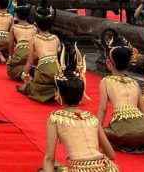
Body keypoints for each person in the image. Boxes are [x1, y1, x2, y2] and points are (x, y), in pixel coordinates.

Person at [42, 41, 117, 172]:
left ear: (58, 94)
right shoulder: (92, 118)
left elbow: (49, 158)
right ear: (82, 95)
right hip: (104, 168)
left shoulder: (55, 118)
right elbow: (111, 155)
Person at [18, 0, 61, 103]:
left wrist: (24, 75)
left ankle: (44, 91)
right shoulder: (56, 38)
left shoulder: (34, 39)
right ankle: (56, 90)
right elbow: (58, 54)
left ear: (36, 23)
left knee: (30, 87)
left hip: (43, 72)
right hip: (57, 72)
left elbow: (30, 62)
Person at [6, 5, 37, 80]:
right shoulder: (34, 28)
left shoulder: (14, 27)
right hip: (33, 54)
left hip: (20, 53)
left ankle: (25, 72)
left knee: (11, 70)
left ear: (16, 15)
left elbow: (10, 46)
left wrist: (11, 57)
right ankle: (31, 70)